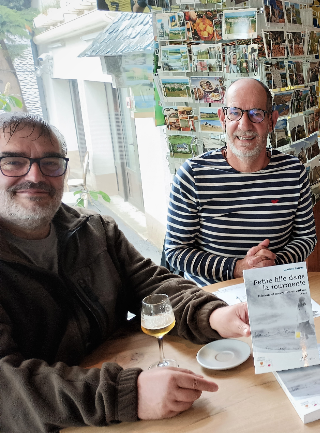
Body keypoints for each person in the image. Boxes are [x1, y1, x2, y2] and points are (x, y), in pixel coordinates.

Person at [0, 113, 252, 432]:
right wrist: (127, 394)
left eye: (50, 162)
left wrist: (212, 315)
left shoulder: (95, 231)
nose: (35, 176)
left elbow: (152, 286)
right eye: (13, 162)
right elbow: (7, 385)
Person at [165, 78, 316, 286]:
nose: (244, 125)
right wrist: (237, 268)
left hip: (274, 290)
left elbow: (307, 238)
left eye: (256, 114)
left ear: (272, 121)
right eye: (235, 113)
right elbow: (175, 252)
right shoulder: (192, 176)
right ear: (222, 118)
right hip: (211, 302)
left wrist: (272, 264)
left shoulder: (294, 173)